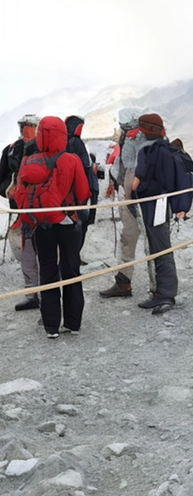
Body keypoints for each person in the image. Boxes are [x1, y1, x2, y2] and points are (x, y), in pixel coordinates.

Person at [11, 116, 90, 338]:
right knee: (71, 270)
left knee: (47, 270)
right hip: (67, 222)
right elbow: (83, 192)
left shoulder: (29, 161)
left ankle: (51, 326)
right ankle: (73, 323)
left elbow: (18, 194)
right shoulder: (72, 159)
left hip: (40, 225)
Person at [131, 113, 180, 312]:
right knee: (161, 245)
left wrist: (130, 195)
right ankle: (163, 292)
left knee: (159, 247)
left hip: (152, 204)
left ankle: (166, 294)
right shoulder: (166, 147)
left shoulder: (146, 150)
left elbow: (137, 181)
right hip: (165, 201)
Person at [100, 108, 149, 299]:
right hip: (134, 196)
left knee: (137, 241)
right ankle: (125, 283)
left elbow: (131, 170)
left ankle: (154, 288)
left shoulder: (136, 140)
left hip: (137, 198)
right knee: (130, 240)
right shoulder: (134, 138)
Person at [2, 114, 41, 311]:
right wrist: (9, 190)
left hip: (42, 211)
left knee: (43, 252)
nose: (27, 129)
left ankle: (43, 292)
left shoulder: (46, 150)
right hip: (21, 211)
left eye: (31, 126)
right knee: (25, 253)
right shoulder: (11, 149)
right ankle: (33, 292)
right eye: (25, 126)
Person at [64, 115, 99, 233]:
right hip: (80, 183)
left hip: (68, 187)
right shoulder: (76, 142)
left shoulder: (63, 142)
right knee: (81, 217)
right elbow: (85, 164)